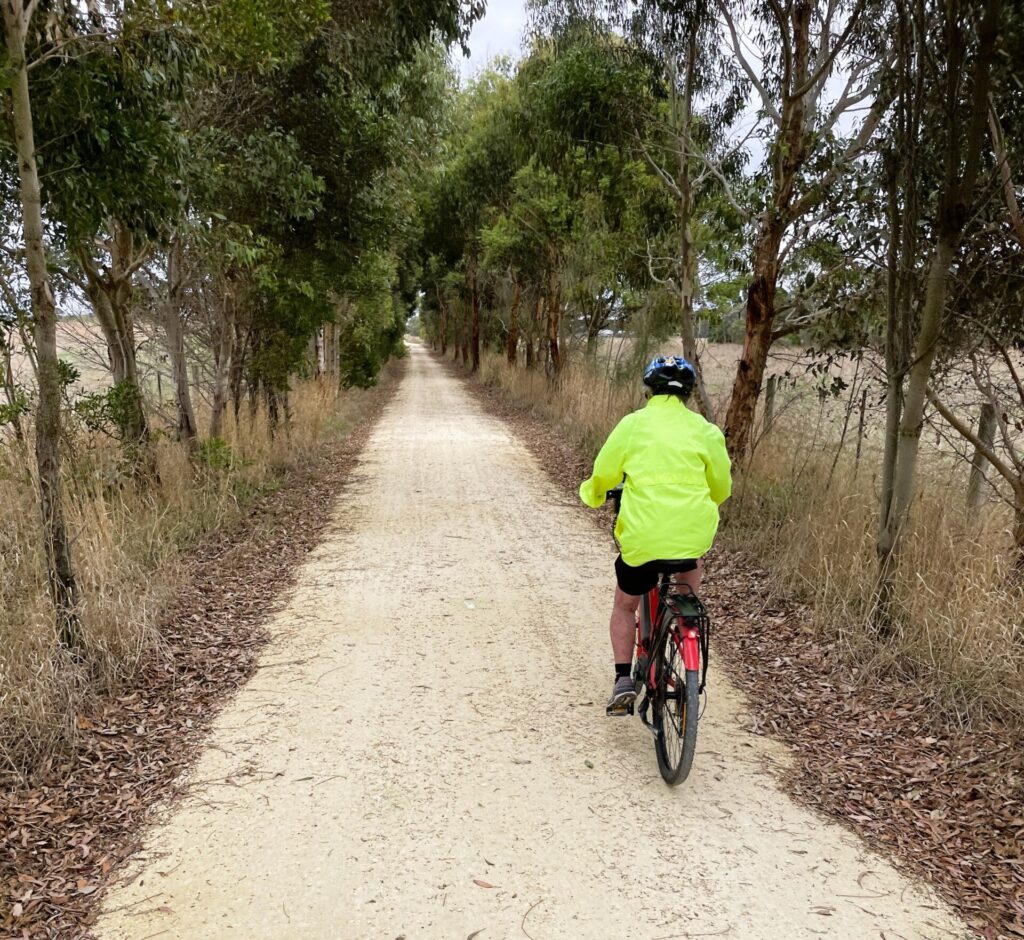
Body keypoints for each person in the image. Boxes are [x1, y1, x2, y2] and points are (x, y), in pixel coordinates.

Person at [579, 355, 732, 712]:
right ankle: (686, 616)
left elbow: (603, 473)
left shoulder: (633, 425)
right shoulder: (706, 431)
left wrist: (594, 493)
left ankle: (622, 679)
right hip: (690, 535)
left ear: (649, 390)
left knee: (625, 604)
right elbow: (721, 487)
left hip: (644, 539)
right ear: (689, 394)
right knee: (691, 559)